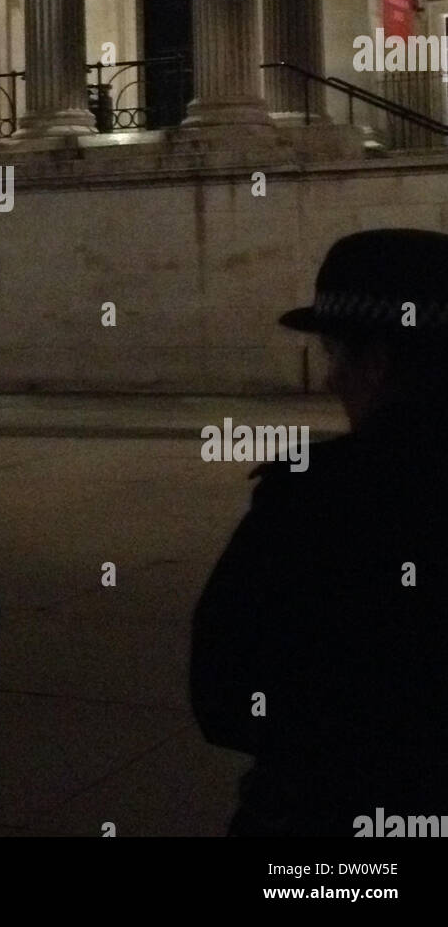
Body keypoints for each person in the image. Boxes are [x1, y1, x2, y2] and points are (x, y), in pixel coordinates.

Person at [191, 229, 448, 836]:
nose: (330, 380)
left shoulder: (312, 503)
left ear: (379, 362)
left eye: (334, 353)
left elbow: (224, 697)